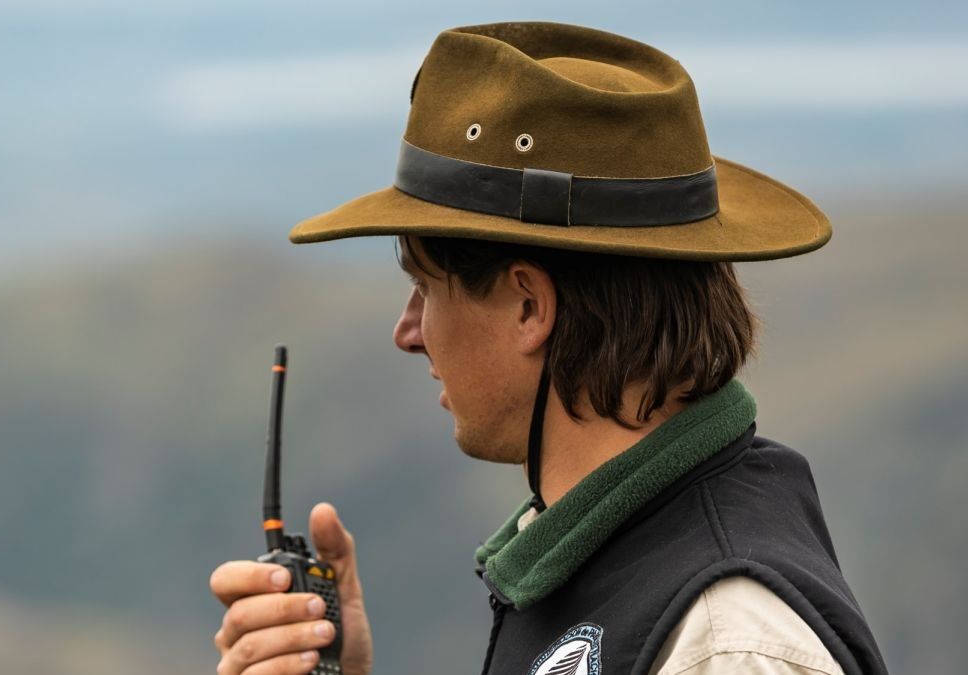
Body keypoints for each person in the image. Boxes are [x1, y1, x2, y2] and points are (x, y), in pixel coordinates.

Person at [209, 21, 887, 675]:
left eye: (425, 287)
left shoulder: (725, 646)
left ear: (529, 307)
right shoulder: (618, 553)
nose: (408, 332)